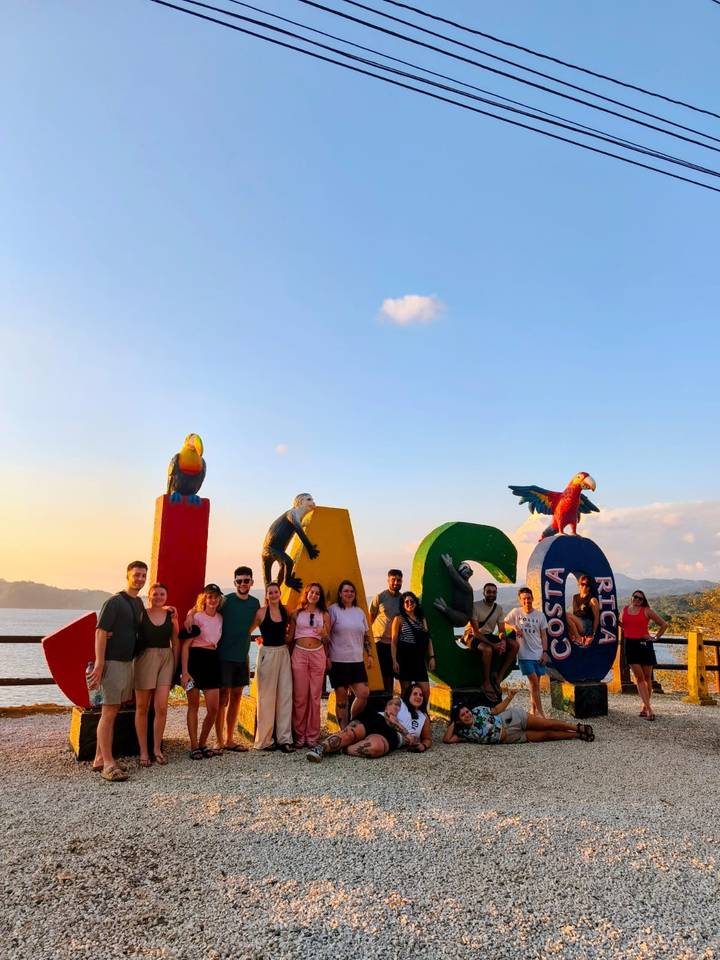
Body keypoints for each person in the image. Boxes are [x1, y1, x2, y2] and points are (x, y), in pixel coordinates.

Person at [89, 561, 147, 782]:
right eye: (136, 575)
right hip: (112, 663)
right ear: (127, 575)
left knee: (113, 710)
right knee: (109, 712)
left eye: (143, 575)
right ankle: (109, 764)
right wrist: (100, 663)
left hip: (127, 663)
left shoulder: (138, 603)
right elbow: (101, 632)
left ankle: (99, 758)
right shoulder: (114, 602)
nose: (140, 579)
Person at [307, 684, 432, 762]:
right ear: (408, 695)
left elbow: (427, 739)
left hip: (393, 737)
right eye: (415, 693)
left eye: (421, 695)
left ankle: (342, 749)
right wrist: (406, 733)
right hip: (378, 720)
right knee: (350, 733)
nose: (418, 697)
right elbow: (389, 715)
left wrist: (423, 746)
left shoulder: (423, 717)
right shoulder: (399, 702)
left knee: (375, 749)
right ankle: (320, 749)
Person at [442, 688, 595, 745]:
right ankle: (576, 735)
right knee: (546, 736)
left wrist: (509, 698)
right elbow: (447, 739)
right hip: (511, 738)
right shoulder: (465, 734)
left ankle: (576, 727)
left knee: (545, 724)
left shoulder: (477, 711)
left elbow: (496, 709)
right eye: (462, 715)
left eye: (466, 711)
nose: (467, 714)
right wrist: (454, 723)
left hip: (510, 719)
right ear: (458, 719)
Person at [134, 582, 179, 766]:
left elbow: (175, 642)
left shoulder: (171, 615)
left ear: (166, 597)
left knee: (161, 707)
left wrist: (176, 668)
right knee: (142, 707)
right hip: (145, 659)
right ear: (149, 595)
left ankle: (157, 748)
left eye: (162, 594)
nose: (158, 597)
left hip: (166, 659)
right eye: (155, 594)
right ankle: (143, 750)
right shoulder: (141, 615)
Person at [216, 566, 260, 752]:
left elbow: (256, 623)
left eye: (246, 580)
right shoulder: (226, 601)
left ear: (252, 582)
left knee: (236, 697)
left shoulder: (255, 603)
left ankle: (230, 739)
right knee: (222, 698)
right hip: (223, 656)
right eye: (239, 581)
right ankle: (219, 740)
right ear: (235, 583)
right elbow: (205, 607)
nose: (243, 584)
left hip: (242, 656)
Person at [180, 584, 224, 760]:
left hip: (212, 660)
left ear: (219, 599)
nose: (212, 600)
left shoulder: (220, 617)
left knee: (213, 708)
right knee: (194, 706)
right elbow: (185, 647)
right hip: (195, 660)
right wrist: (185, 672)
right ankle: (194, 746)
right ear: (204, 598)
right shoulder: (196, 617)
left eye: (215, 597)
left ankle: (203, 742)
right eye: (209, 597)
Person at [252, 582, 294, 752]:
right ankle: (264, 740)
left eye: (276, 591)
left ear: (280, 593)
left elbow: (294, 625)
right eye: (270, 592)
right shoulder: (261, 612)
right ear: (267, 594)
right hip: (267, 653)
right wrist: (258, 642)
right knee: (266, 698)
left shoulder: (286, 611)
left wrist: (289, 637)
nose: (273, 594)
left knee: (285, 695)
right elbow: (248, 629)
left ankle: (285, 739)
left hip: (283, 652)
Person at [288, 582, 330, 749]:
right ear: (306, 594)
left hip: (318, 654)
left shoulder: (324, 614)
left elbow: (327, 640)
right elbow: (290, 637)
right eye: (311, 592)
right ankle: (299, 735)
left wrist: (324, 634)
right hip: (299, 653)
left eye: (317, 593)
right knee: (300, 697)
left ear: (319, 597)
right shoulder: (296, 613)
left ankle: (312, 736)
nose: (314, 595)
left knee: (315, 697)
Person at [328, 580, 373, 729]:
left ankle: (352, 722)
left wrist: (370, 654)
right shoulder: (333, 610)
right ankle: (343, 730)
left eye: (352, 591)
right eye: (346, 591)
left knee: (363, 693)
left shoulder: (359, 612)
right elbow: (326, 635)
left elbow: (366, 636)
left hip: (356, 660)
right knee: (341, 699)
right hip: (338, 660)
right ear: (340, 593)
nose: (349, 593)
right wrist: (326, 657)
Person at [619, 589, 668, 721]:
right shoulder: (624, 610)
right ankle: (649, 709)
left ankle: (645, 706)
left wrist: (655, 637)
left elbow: (664, 624)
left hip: (644, 644)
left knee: (647, 677)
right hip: (630, 645)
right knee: (639, 677)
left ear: (643, 600)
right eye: (635, 597)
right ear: (631, 597)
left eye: (640, 599)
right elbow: (624, 626)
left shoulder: (646, 610)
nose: (637, 600)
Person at [466, 583, 517, 703]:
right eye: (489, 592)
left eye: (494, 592)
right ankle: (486, 682)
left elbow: (501, 631)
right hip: (472, 636)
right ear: (484, 593)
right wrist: (494, 645)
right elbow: (476, 632)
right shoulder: (475, 606)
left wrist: (503, 641)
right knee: (487, 650)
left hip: (488, 636)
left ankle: (499, 677)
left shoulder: (498, 608)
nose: (491, 594)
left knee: (515, 645)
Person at [504, 588, 549, 717]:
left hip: (538, 653)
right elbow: (505, 623)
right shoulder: (516, 612)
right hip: (524, 655)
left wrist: (545, 652)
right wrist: (515, 627)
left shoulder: (540, 616)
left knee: (535, 685)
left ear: (532, 599)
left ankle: (533, 712)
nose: (526, 601)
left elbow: (544, 636)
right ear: (520, 600)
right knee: (534, 683)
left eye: (528, 598)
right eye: (524, 598)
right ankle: (542, 715)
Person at [390, 592, 435, 705]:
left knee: (425, 690)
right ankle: (406, 716)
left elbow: (428, 639)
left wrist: (432, 657)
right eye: (406, 602)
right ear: (403, 604)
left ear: (415, 603)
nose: (409, 603)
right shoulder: (399, 619)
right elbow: (394, 642)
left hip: (418, 658)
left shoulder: (421, 619)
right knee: (406, 690)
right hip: (404, 658)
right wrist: (394, 660)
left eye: (412, 601)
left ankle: (423, 714)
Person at [369, 569, 404, 696]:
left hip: (394, 643)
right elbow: (371, 618)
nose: (396, 583)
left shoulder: (403, 599)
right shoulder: (380, 597)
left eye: (398, 580)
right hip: (379, 641)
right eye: (393, 580)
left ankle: (390, 701)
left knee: (391, 675)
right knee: (379, 675)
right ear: (388, 581)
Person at [567, 575, 600, 646]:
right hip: (577, 623)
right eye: (582, 584)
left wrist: (593, 634)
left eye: (587, 584)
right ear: (579, 585)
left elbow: (597, 618)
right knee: (564, 618)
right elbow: (574, 614)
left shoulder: (592, 600)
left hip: (586, 625)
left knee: (566, 614)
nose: (584, 586)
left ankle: (577, 638)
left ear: (589, 587)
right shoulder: (574, 597)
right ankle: (576, 637)